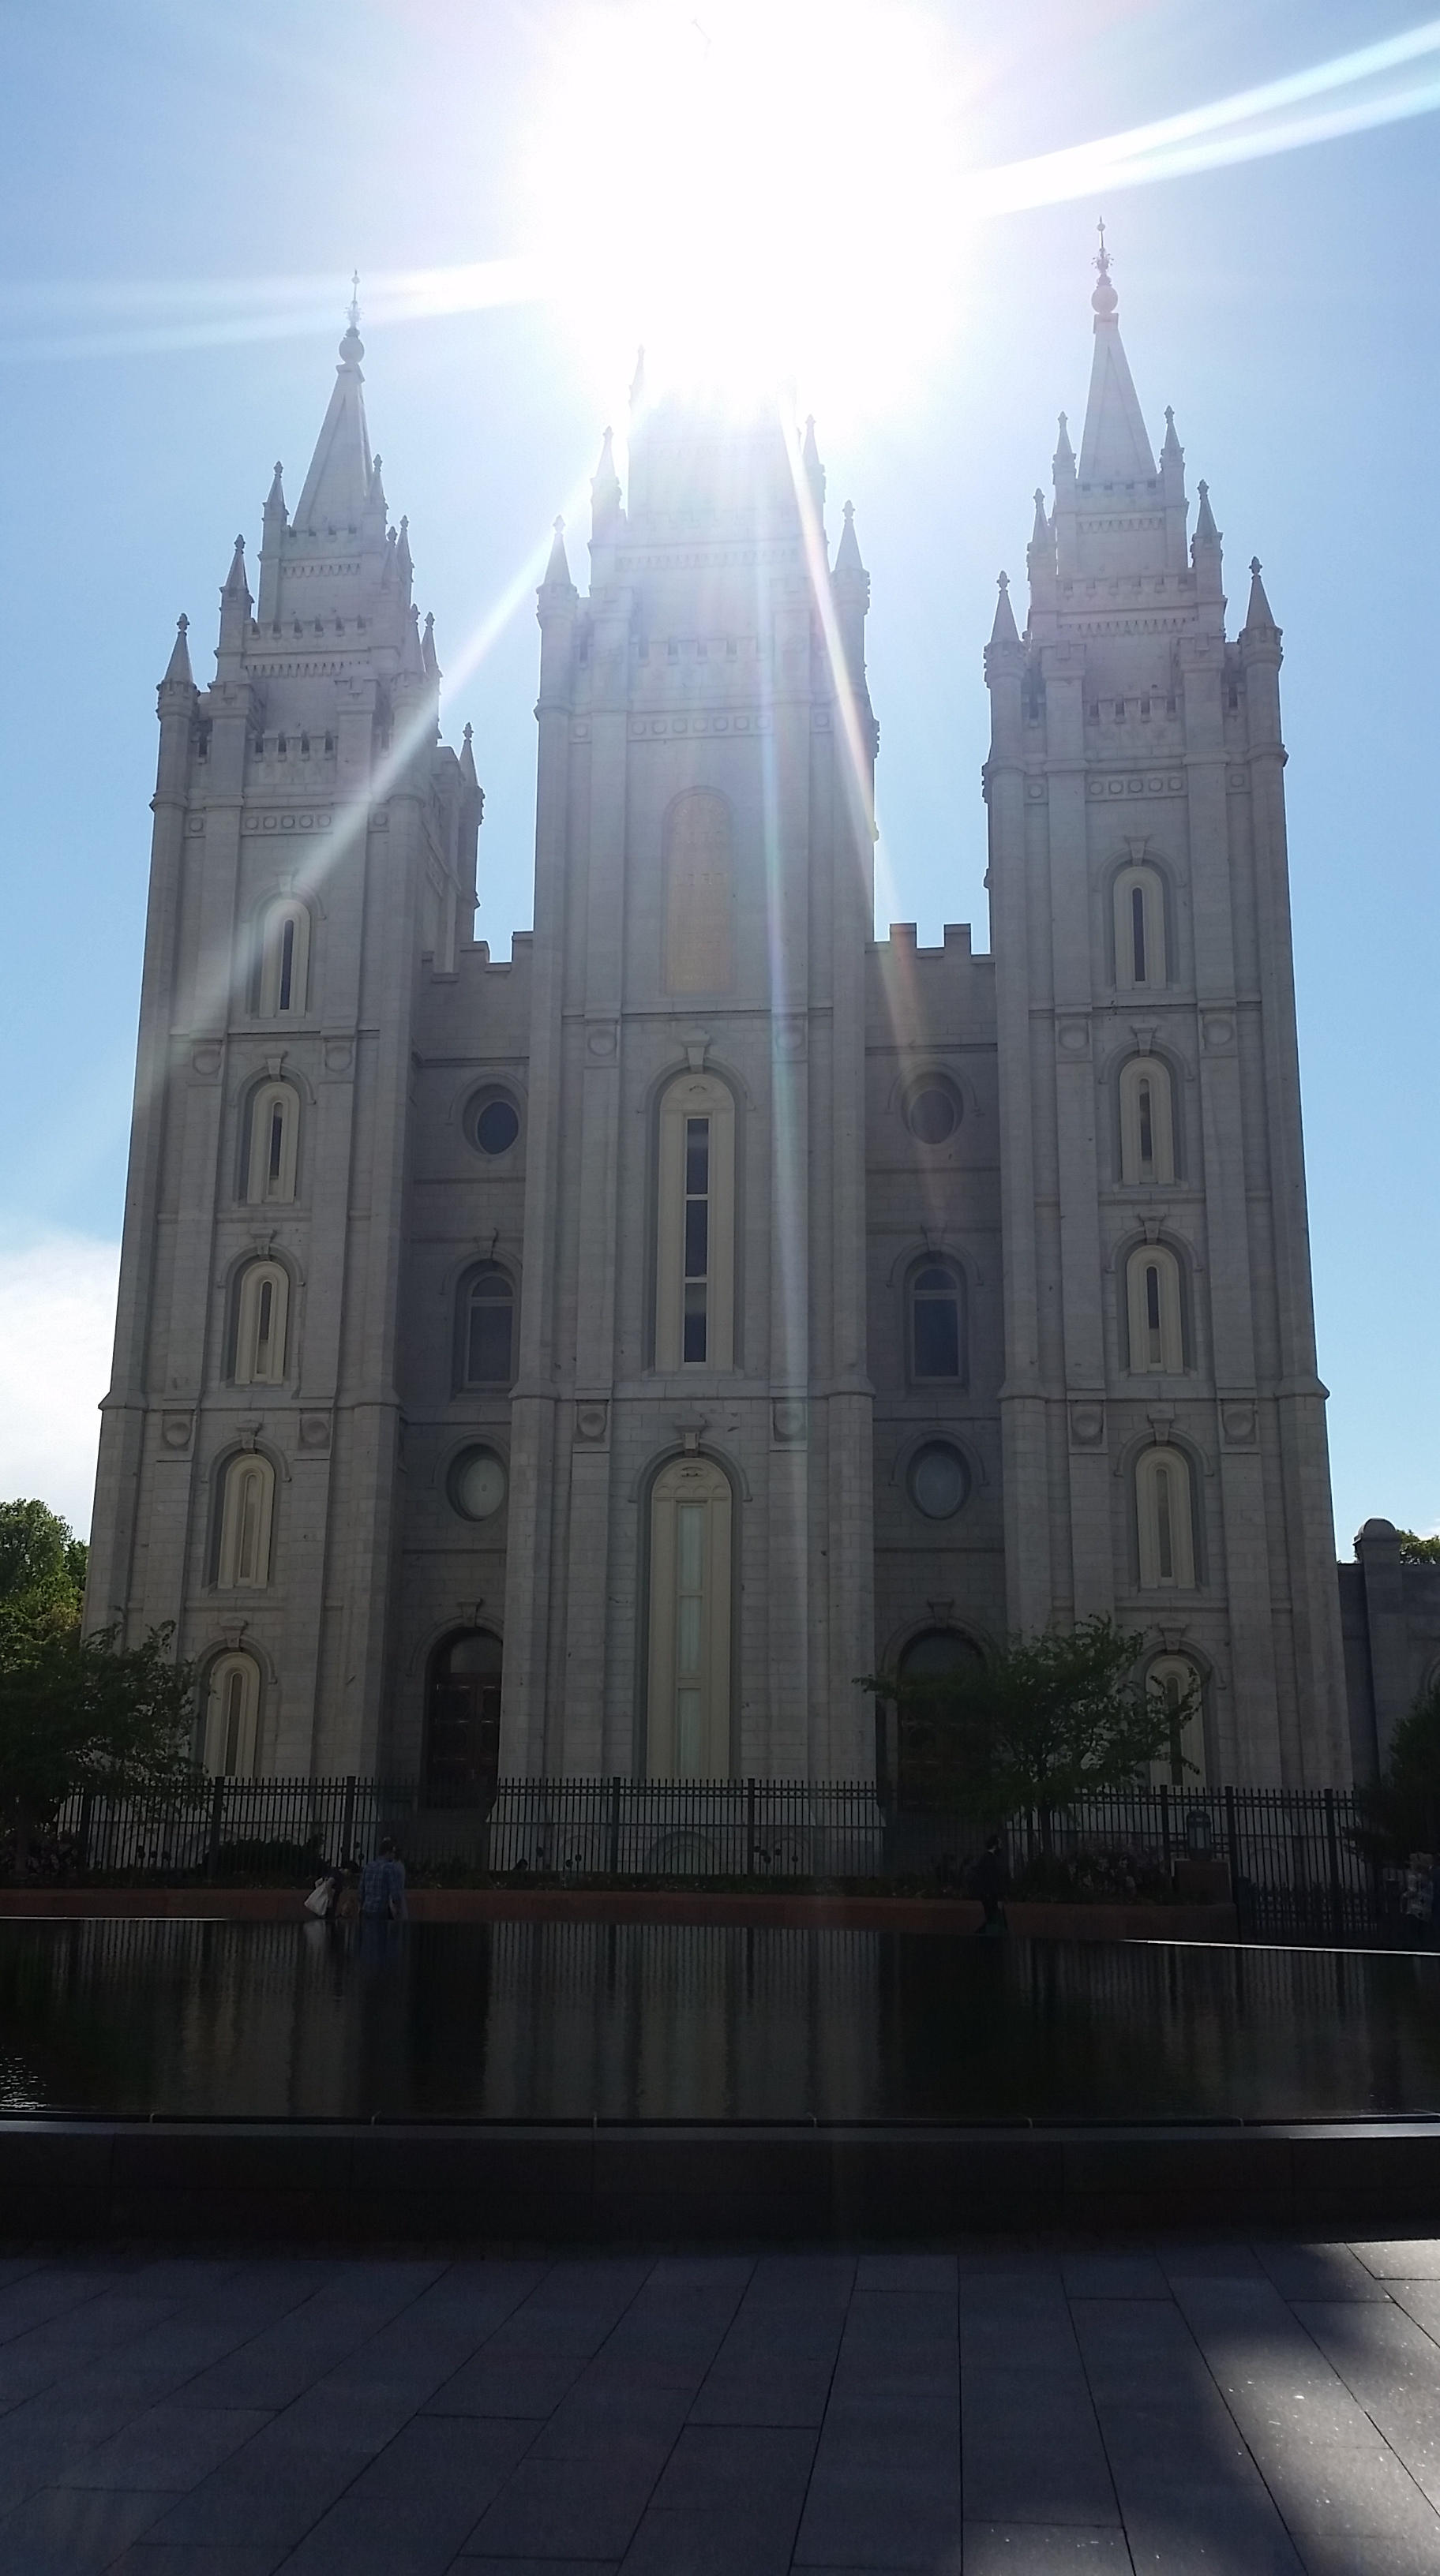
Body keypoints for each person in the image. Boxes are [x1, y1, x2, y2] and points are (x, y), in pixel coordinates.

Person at [359, 1837, 409, 1922]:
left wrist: (360, 1906)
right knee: (380, 1929)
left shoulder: (369, 1866)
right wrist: (398, 1907)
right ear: (387, 1852)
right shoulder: (389, 1868)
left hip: (367, 1908)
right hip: (381, 1909)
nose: (394, 1855)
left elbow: (361, 1889)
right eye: (393, 1852)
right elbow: (395, 1892)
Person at [969, 1833, 1010, 1938]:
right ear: (995, 1846)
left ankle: (980, 1937)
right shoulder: (991, 1859)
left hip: (988, 1895)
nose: (1001, 1847)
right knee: (994, 1920)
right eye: (1000, 1845)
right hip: (991, 1896)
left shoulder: (986, 1858)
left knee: (992, 1919)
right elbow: (994, 1880)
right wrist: (1000, 1896)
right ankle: (978, 1938)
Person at [1401, 1852, 1434, 1948]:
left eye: (1411, 1861)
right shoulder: (1428, 1878)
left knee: (1413, 1939)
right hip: (1426, 1912)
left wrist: (1404, 1896)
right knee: (1424, 1940)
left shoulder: (1413, 1875)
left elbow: (1412, 1891)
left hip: (1414, 1911)